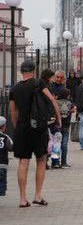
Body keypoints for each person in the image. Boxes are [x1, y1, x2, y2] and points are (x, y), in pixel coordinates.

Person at [9, 60, 61, 207]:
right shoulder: (38, 83)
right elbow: (52, 100)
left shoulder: (14, 89)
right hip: (39, 127)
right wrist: (58, 119)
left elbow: (13, 111)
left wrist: (16, 126)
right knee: (41, 160)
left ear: (21, 71)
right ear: (33, 71)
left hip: (22, 128)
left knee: (23, 161)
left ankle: (22, 199)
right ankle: (38, 195)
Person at [56, 88, 74, 168]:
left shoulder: (56, 103)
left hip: (57, 125)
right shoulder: (69, 103)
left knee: (56, 144)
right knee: (64, 144)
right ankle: (64, 162)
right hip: (66, 125)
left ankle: (55, 162)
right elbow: (73, 110)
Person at [0, 116, 14, 197]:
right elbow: (11, 148)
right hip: (2, 165)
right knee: (2, 181)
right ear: (4, 126)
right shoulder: (5, 137)